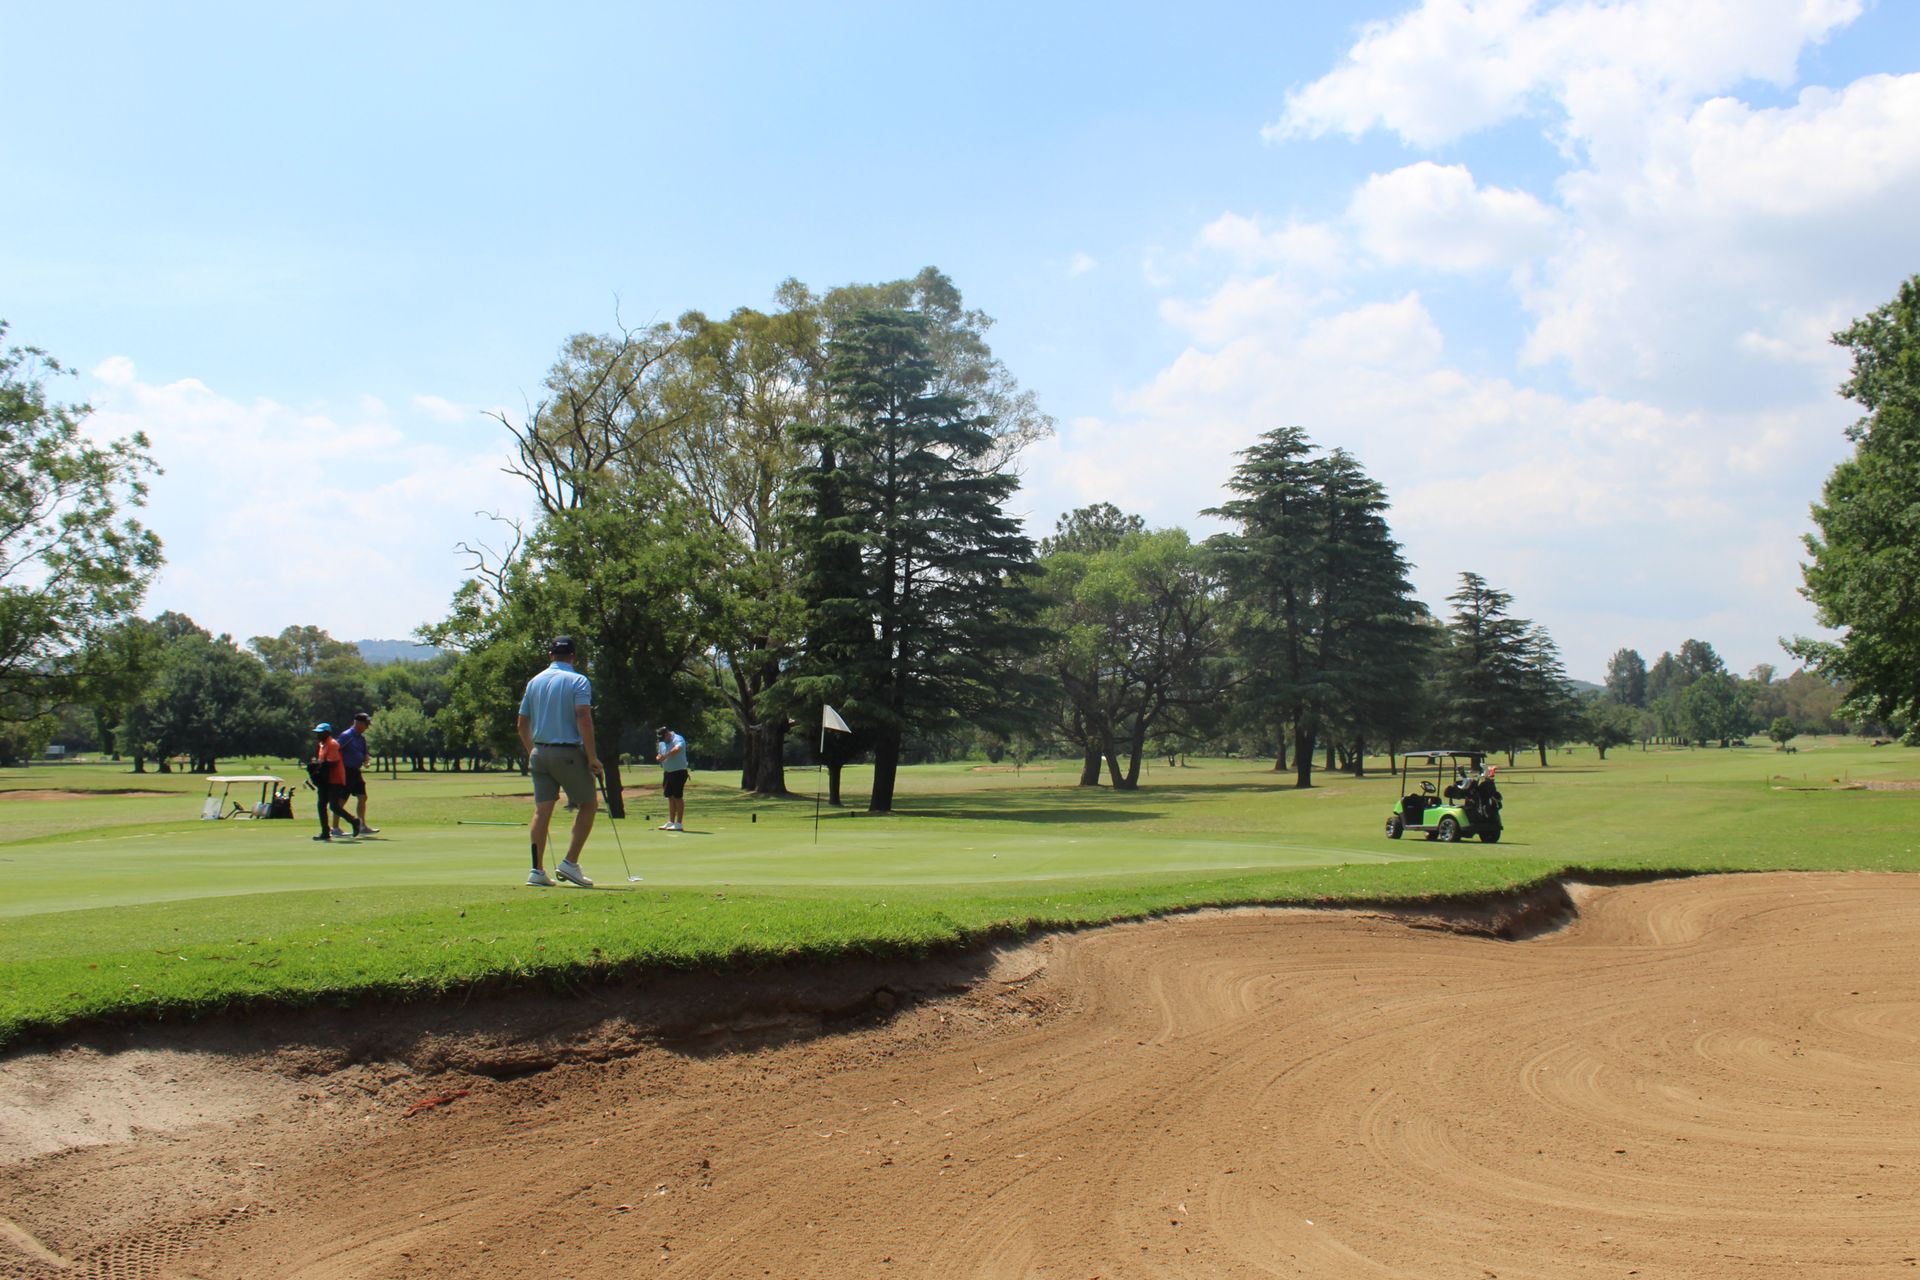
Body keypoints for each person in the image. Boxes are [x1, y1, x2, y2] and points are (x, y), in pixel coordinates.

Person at [516, 636, 600, 887]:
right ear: (573, 656)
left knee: (542, 811)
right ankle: (570, 863)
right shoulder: (578, 680)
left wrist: (532, 751)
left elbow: (521, 723)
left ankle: (536, 871)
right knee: (588, 804)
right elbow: (583, 717)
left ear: (550, 655)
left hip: (539, 753)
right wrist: (592, 757)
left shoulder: (534, 682)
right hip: (567, 753)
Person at [308, 723, 364, 841]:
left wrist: (318, 767)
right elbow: (322, 762)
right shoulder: (322, 744)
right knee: (321, 804)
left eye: (320, 732)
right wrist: (316, 769)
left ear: (327, 733)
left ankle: (354, 821)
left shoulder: (332, 744)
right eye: (317, 733)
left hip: (335, 779)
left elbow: (332, 762)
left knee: (334, 806)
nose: (318, 735)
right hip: (325, 780)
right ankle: (325, 832)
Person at [332, 711, 379, 836]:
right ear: (358, 723)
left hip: (356, 771)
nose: (367, 726)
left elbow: (364, 753)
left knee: (362, 797)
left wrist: (366, 759)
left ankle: (362, 826)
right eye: (366, 724)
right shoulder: (347, 736)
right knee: (342, 799)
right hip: (345, 771)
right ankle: (335, 828)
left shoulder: (361, 738)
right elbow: (335, 750)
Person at [655, 722, 688, 831]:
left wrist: (665, 756)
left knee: (677, 796)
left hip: (679, 772)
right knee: (670, 797)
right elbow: (660, 754)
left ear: (667, 734)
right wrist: (659, 757)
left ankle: (679, 824)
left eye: (663, 738)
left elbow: (677, 749)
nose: (662, 740)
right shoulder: (662, 742)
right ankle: (671, 822)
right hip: (668, 772)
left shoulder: (678, 738)